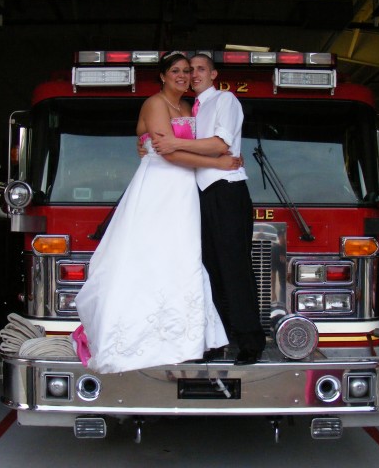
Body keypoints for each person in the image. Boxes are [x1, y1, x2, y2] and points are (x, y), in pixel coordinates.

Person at [74, 52, 239, 374]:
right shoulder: (155, 103)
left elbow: (163, 139)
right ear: (162, 76)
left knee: (182, 258)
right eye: (175, 71)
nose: (182, 75)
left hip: (184, 191)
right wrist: (218, 163)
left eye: (187, 71)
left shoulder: (189, 107)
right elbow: (171, 155)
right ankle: (138, 336)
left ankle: (184, 340)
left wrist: (144, 138)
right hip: (161, 186)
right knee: (148, 257)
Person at [151, 53, 266, 365]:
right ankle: (214, 341)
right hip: (199, 194)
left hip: (227, 191)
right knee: (207, 272)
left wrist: (174, 144)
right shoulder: (190, 109)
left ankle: (250, 343)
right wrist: (148, 141)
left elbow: (219, 145)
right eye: (190, 70)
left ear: (214, 74)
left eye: (200, 69)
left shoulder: (225, 101)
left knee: (235, 269)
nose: (194, 74)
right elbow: (158, 136)